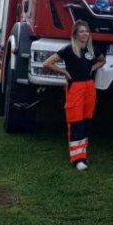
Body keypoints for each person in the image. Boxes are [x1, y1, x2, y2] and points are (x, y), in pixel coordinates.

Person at [43, 20, 105, 170]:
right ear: (75, 34)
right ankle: (77, 159)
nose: (85, 34)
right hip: (75, 88)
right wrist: (64, 72)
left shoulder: (92, 50)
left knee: (86, 123)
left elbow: (102, 60)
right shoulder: (69, 49)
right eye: (81, 31)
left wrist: (93, 68)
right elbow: (47, 63)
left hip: (89, 87)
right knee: (75, 122)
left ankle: (83, 154)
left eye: (86, 31)